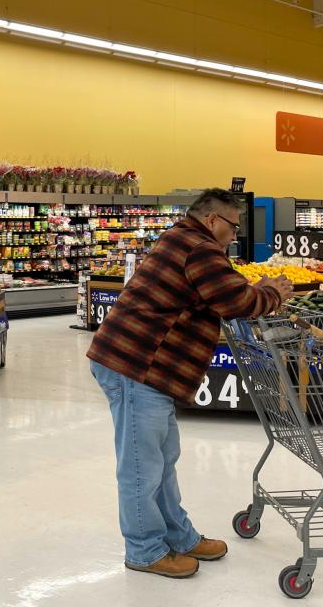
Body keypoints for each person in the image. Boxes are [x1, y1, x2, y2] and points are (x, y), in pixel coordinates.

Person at [87, 188, 293, 580]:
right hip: (137, 364)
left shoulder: (183, 239)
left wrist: (254, 288)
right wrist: (272, 294)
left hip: (146, 366)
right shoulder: (199, 247)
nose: (235, 236)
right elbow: (233, 301)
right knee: (140, 466)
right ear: (213, 220)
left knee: (163, 459)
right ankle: (144, 551)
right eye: (233, 227)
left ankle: (178, 536)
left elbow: (222, 288)